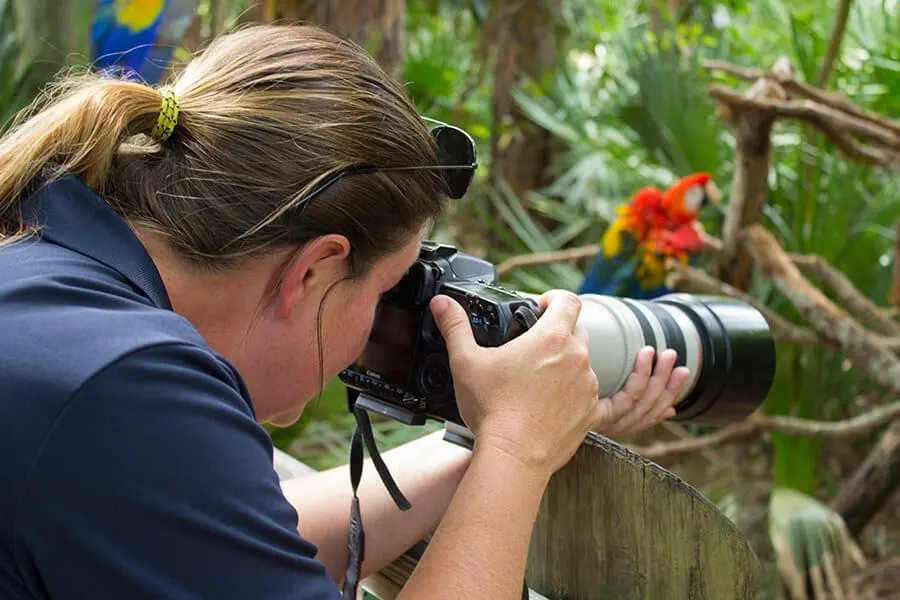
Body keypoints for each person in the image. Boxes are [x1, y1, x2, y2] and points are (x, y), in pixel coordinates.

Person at [0, 23, 690, 600]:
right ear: (315, 270)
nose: (379, 322)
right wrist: (517, 450)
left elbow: (236, 548)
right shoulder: (125, 383)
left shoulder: (52, 280)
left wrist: (497, 432)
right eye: (383, 290)